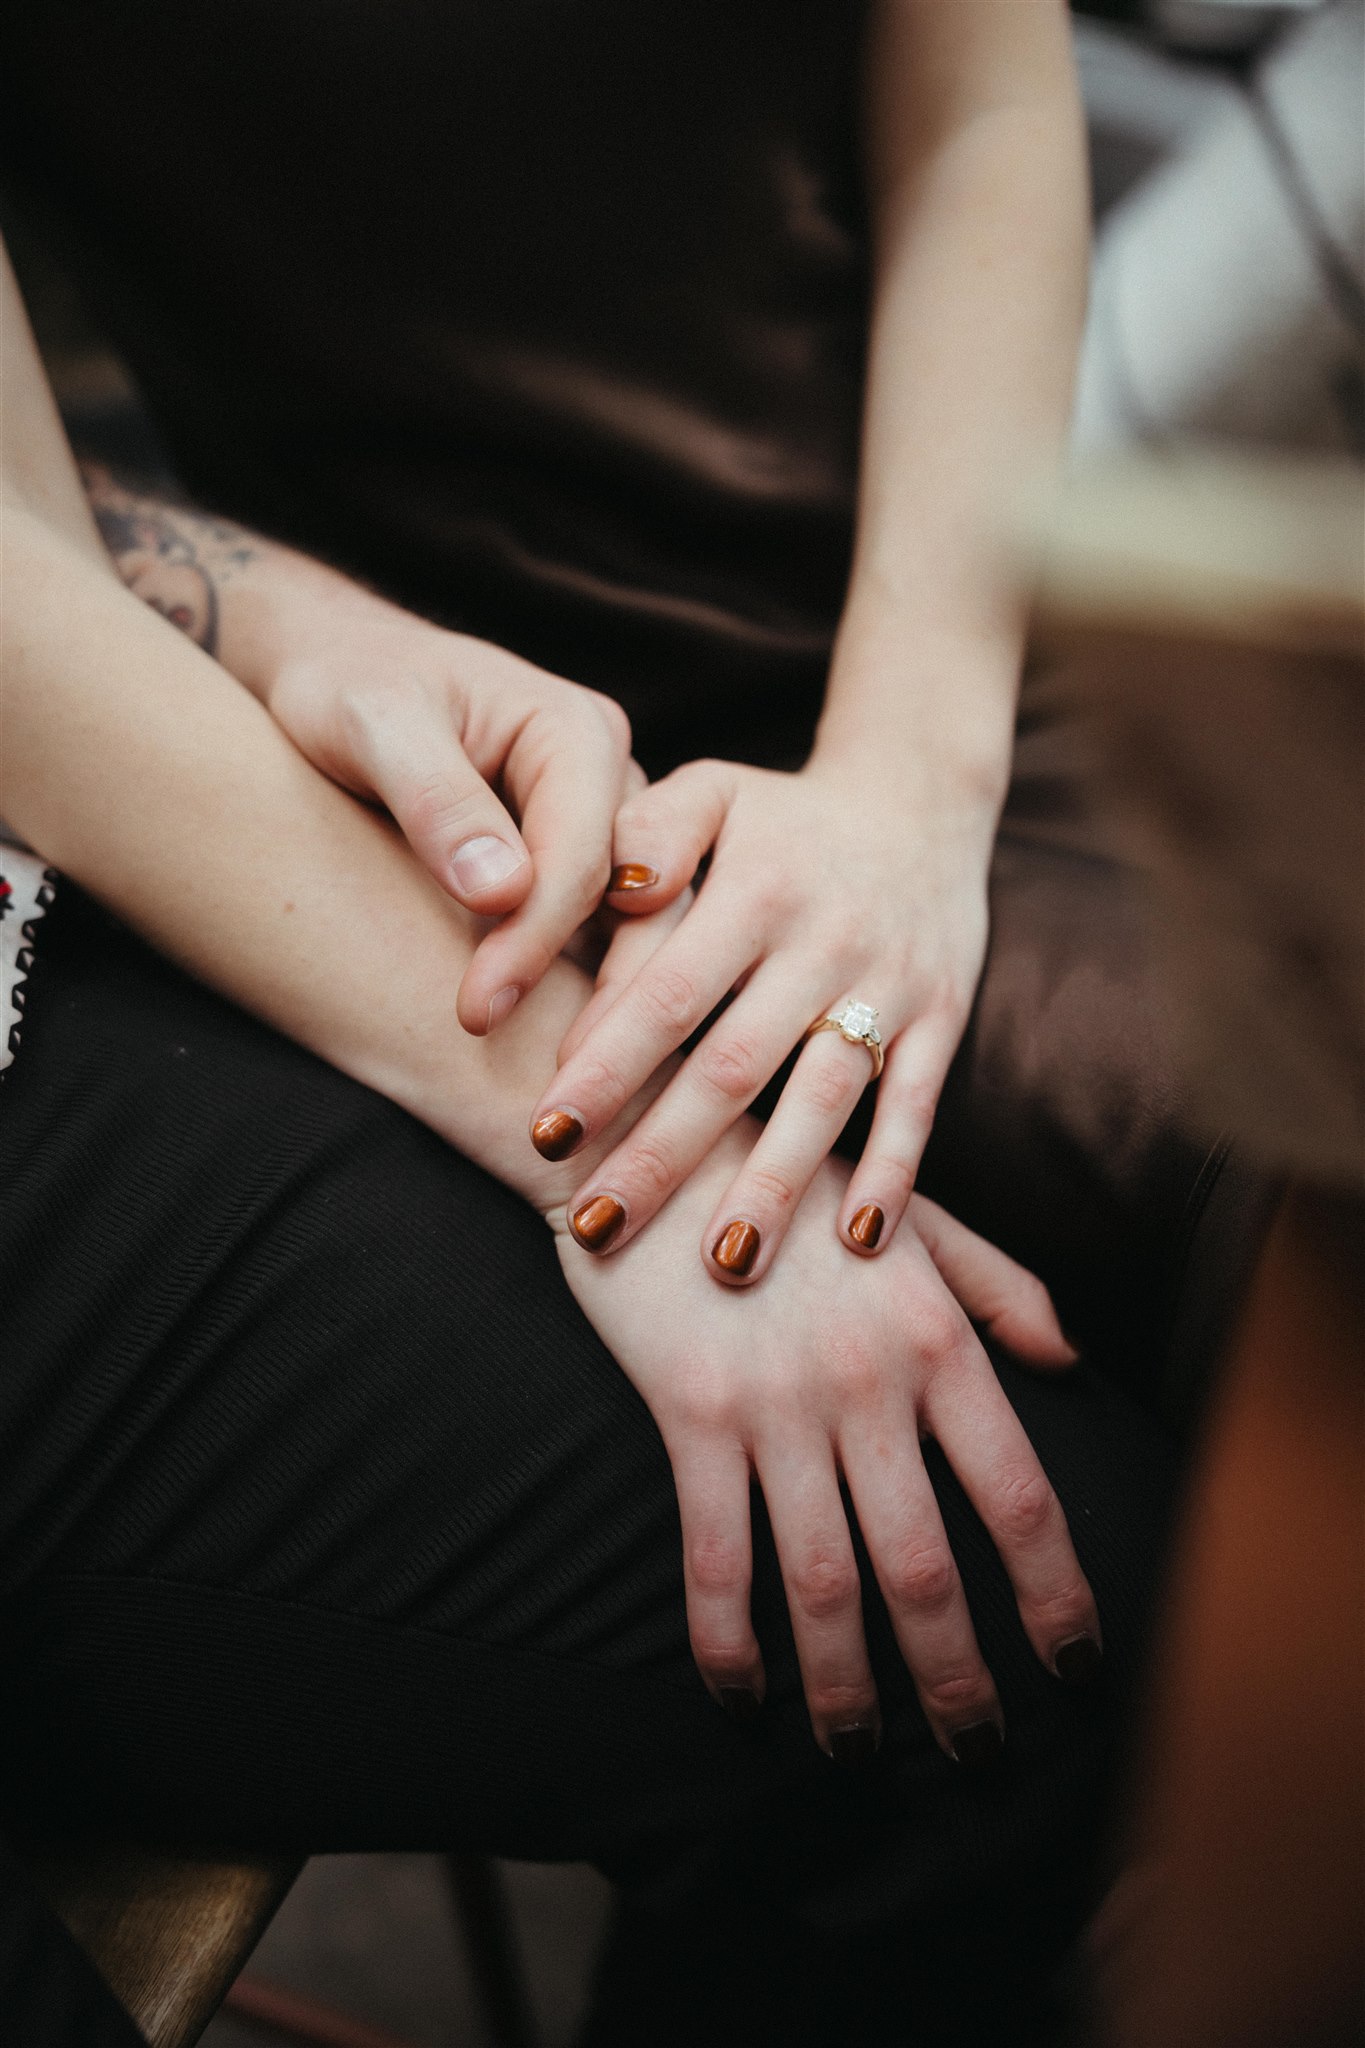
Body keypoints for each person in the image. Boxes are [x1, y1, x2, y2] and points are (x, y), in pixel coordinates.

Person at [0, 4, 1251, 2040]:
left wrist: (901, 787)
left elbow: (980, 95)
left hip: (985, 569)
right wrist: (615, 1131)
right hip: (547, 728)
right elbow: (27, 556)